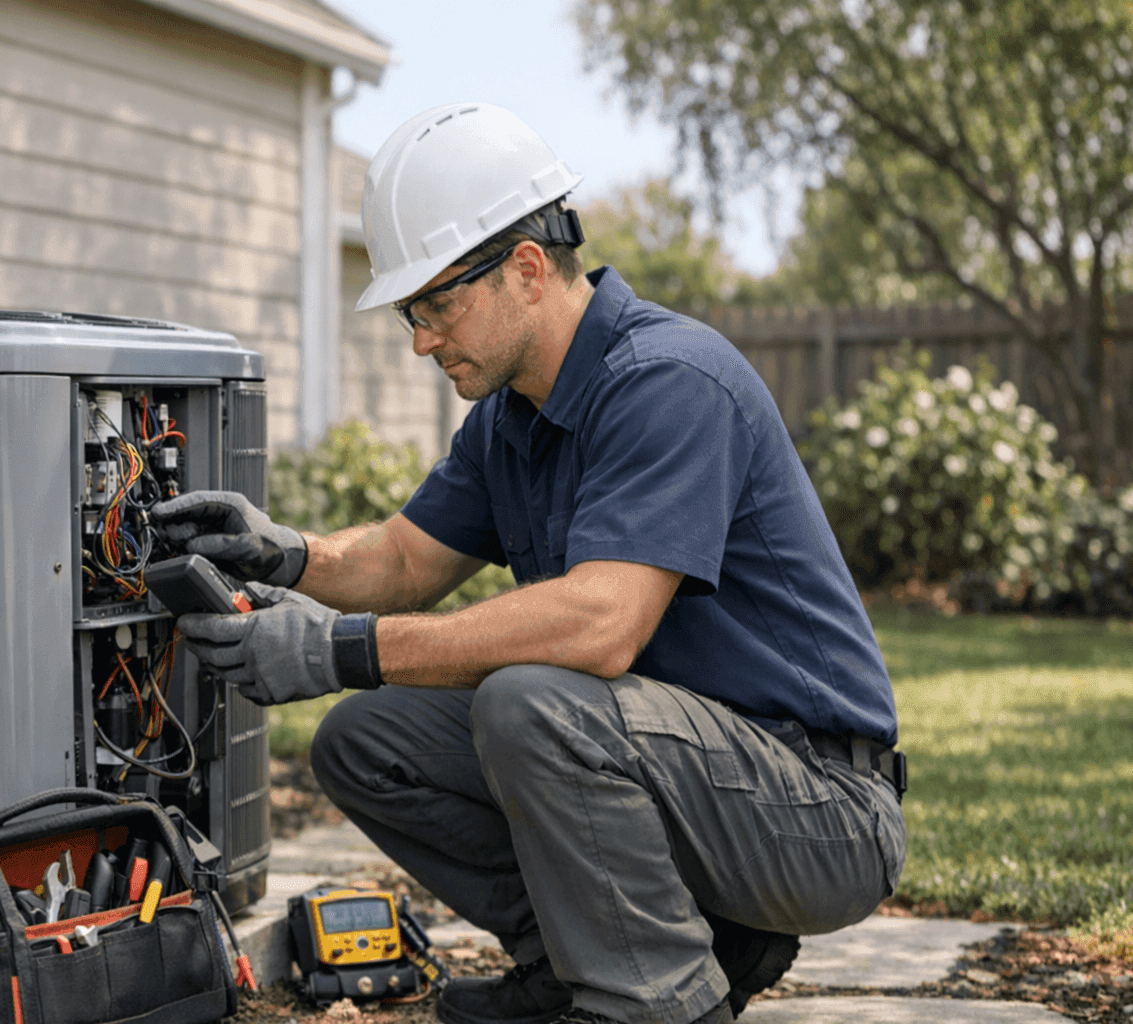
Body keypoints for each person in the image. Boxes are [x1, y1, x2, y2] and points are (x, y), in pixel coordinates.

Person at [151, 103, 906, 1024]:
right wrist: (285, 551)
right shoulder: (512, 421)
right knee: (367, 741)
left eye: (436, 304)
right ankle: (576, 960)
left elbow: (600, 622)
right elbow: (399, 559)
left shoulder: (669, 381)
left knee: (533, 701)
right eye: (409, 314)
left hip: (820, 812)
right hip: (694, 779)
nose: (423, 338)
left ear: (526, 268)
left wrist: (338, 648)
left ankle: (654, 1000)